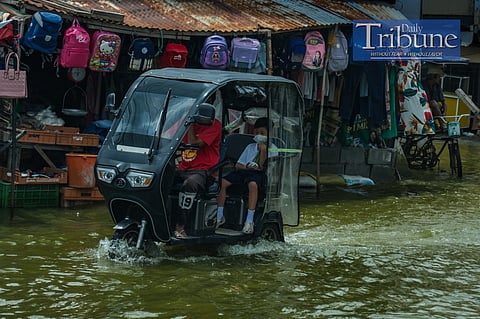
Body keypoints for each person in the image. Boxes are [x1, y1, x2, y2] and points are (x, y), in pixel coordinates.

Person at [216, 117, 276, 234]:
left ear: (269, 133)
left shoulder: (273, 149)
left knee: (252, 185)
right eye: (257, 133)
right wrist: (247, 167)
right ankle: (219, 215)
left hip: (259, 174)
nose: (259, 135)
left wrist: (263, 151)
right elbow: (238, 165)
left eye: (262, 133)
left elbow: (262, 166)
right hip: (244, 171)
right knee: (222, 182)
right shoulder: (250, 147)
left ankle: (249, 221)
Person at [174, 105, 222, 239]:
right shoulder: (183, 122)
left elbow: (195, 143)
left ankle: (180, 226)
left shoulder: (215, 125)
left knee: (190, 184)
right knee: (160, 176)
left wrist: (190, 125)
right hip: (183, 167)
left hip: (204, 171)